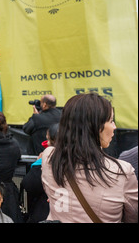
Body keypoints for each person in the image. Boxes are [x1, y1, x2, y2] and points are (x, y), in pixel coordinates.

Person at [41, 93, 138, 223]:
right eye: (110, 121)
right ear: (95, 128)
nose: (114, 126)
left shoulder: (49, 157)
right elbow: (133, 217)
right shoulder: (121, 172)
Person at [20, 123, 58, 223]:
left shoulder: (44, 162)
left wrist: (39, 163)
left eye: (49, 140)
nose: (47, 143)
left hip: (45, 212)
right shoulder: (80, 160)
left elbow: (28, 185)